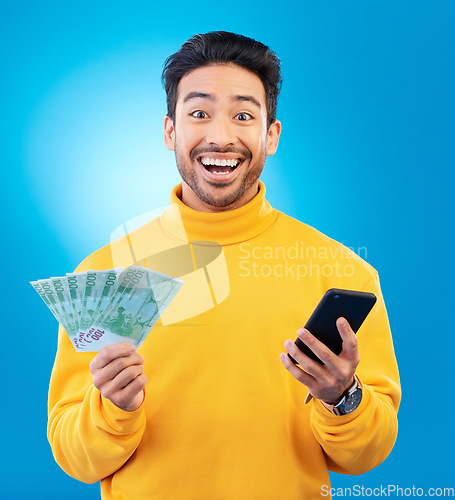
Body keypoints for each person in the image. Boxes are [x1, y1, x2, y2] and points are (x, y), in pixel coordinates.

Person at [48, 31, 400, 499]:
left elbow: (366, 455)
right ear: (170, 130)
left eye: (242, 115)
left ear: (270, 135)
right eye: (198, 113)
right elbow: (75, 458)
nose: (220, 136)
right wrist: (112, 408)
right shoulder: (105, 274)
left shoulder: (340, 271)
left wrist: (343, 398)